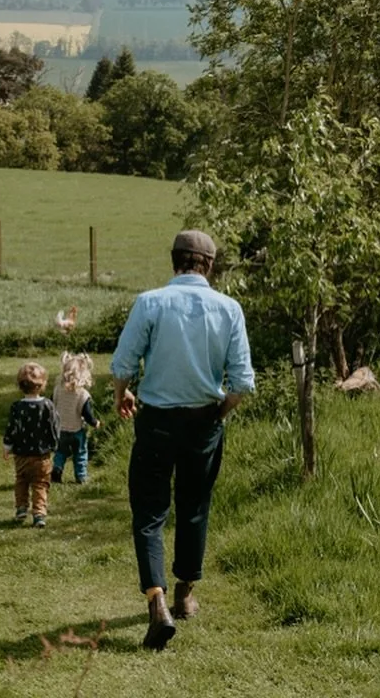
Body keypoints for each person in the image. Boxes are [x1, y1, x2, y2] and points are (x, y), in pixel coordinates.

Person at [110, 228, 255, 651]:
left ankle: (155, 600)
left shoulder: (150, 302)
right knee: (194, 507)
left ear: (174, 260)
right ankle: (185, 593)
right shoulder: (229, 308)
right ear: (209, 265)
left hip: (155, 420)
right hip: (202, 422)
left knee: (149, 510)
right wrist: (218, 414)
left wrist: (123, 395)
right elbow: (242, 383)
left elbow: (123, 363)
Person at [2, 360, 60, 528]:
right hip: (42, 455)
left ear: (20, 385)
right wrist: (55, 444)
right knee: (40, 483)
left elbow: (11, 428)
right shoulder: (48, 405)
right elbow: (54, 426)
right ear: (42, 385)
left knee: (21, 480)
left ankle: (21, 507)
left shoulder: (17, 407)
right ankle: (39, 513)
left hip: (21, 454)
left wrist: (7, 446)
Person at [50, 351, 100, 485]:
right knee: (80, 453)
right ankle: (81, 476)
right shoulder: (82, 394)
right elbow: (86, 414)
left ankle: (57, 469)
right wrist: (95, 423)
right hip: (77, 430)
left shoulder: (57, 390)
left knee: (60, 452)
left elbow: (51, 406)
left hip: (61, 429)